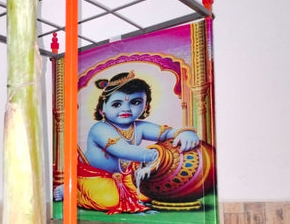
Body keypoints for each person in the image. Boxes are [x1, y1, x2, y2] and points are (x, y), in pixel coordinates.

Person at [55, 70, 199, 214]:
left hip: (124, 175)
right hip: (93, 175)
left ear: (146, 106)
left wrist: (184, 132)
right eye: (116, 104)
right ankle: (71, 189)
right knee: (109, 201)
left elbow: (166, 133)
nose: (126, 109)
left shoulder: (139, 127)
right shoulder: (99, 129)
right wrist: (158, 157)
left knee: (146, 194)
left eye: (135, 102)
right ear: (101, 110)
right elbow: (123, 150)